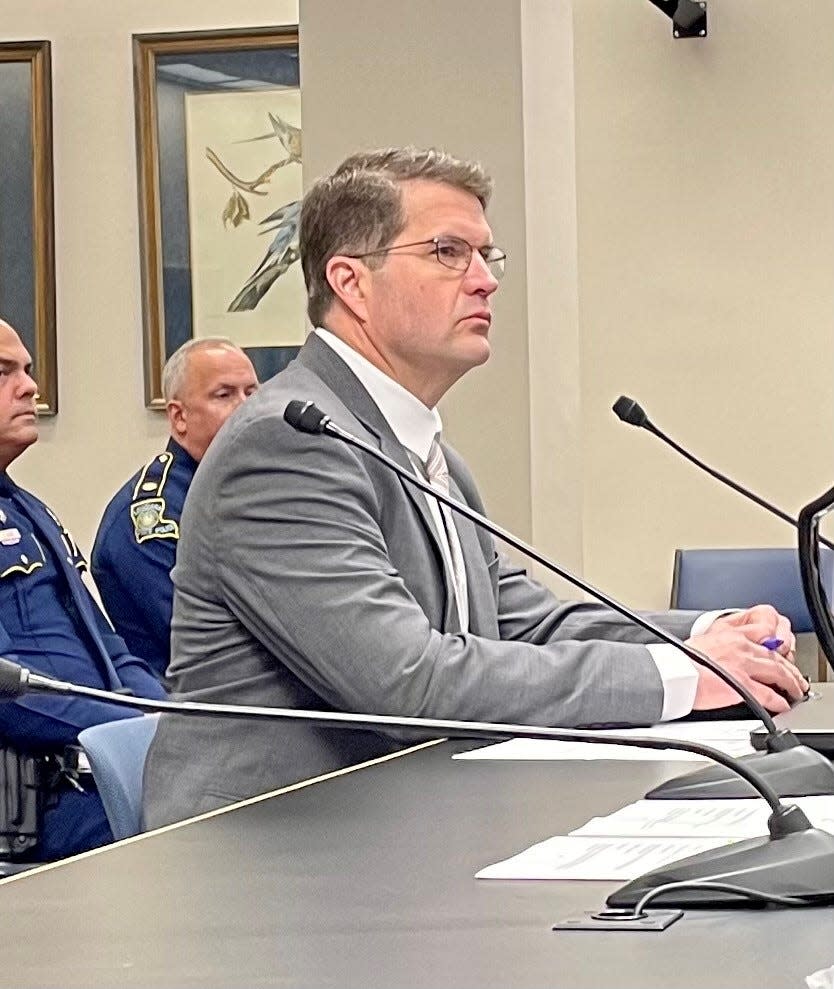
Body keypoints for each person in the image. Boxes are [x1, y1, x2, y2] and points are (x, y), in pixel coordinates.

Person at [143, 147, 805, 828]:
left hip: (394, 829)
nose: (485, 280)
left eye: (488, 256)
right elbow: (406, 681)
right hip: (264, 859)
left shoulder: (423, 449)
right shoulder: (288, 442)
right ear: (351, 282)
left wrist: (709, 636)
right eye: (449, 252)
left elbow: (526, 624)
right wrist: (682, 676)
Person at [0, 318, 167, 860]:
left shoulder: (27, 508)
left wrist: (178, 718)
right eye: (5, 372)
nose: (29, 386)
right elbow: (10, 689)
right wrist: (133, 731)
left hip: (104, 778)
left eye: (26, 369)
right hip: (41, 809)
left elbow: (108, 646)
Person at [91, 338, 258, 678]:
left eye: (253, 393)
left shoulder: (256, 489)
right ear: (179, 417)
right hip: (199, 708)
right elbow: (205, 647)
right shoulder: (152, 517)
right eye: (224, 395)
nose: (246, 408)